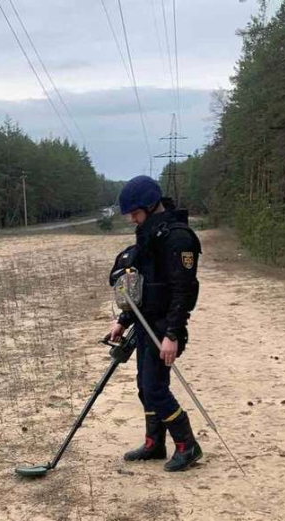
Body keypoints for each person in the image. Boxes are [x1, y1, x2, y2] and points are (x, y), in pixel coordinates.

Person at [108, 175, 203, 472]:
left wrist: (173, 333)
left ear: (150, 206)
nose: (132, 220)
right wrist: (123, 320)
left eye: (135, 214)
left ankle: (187, 445)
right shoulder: (149, 234)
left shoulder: (178, 238)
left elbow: (182, 290)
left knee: (155, 388)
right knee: (143, 387)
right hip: (144, 322)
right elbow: (139, 285)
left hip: (164, 327)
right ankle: (154, 443)